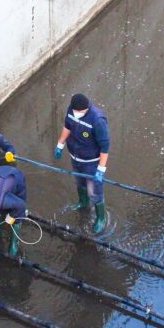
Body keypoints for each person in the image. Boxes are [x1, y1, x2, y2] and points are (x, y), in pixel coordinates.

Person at [53, 93, 110, 233]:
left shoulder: (97, 120)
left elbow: (105, 146)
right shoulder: (72, 109)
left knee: (94, 191)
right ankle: (83, 202)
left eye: (79, 112)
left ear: (85, 109)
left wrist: (101, 169)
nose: (76, 113)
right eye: (74, 111)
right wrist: (60, 144)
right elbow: (67, 126)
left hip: (91, 162)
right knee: (80, 183)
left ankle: (101, 218)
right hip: (76, 158)